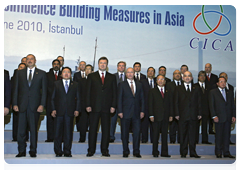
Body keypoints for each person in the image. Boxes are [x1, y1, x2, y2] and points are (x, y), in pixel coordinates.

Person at [13, 54, 47, 157]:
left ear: (35, 61)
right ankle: (21, 151)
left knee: (33, 130)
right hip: (22, 105)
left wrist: (42, 104)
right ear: (25, 61)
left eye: (31, 59)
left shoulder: (42, 74)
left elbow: (44, 92)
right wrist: (14, 103)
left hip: (35, 106)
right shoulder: (19, 73)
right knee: (21, 130)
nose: (29, 60)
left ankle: (33, 150)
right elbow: (15, 90)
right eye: (28, 59)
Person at [86, 56, 117, 157]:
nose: (103, 64)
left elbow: (114, 92)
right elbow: (88, 92)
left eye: (104, 63)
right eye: (101, 63)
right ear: (98, 64)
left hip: (107, 108)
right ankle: (91, 150)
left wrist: (113, 105)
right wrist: (88, 105)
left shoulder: (112, 77)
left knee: (106, 130)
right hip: (94, 107)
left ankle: (105, 150)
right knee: (92, 130)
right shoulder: (91, 76)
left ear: (107, 65)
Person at [51, 67, 80, 157]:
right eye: (64, 72)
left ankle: (67, 151)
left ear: (71, 74)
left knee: (68, 133)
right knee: (57, 133)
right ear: (61, 74)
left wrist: (77, 109)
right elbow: (52, 98)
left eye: (68, 72)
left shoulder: (75, 84)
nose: (66, 73)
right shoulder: (56, 84)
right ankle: (58, 151)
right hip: (58, 111)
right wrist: (53, 109)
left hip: (70, 112)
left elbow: (78, 99)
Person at [117, 67, 144, 158]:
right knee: (124, 133)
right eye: (128, 72)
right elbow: (119, 99)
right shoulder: (122, 84)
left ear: (134, 73)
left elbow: (142, 99)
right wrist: (120, 111)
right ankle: (125, 151)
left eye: (131, 72)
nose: (130, 74)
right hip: (125, 113)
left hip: (137, 113)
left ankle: (136, 151)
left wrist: (142, 111)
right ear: (126, 74)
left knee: (137, 133)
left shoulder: (139, 85)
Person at [174, 71, 202, 158]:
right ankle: (183, 152)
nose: (187, 77)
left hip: (194, 115)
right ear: (182, 78)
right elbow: (175, 102)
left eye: (189, 76)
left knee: (193, 135)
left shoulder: (196, 88)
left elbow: (200, 102)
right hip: (182, 115)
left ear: (192, 78)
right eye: (185, 76)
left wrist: (200, 113)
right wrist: (176, 113)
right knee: (182, 135)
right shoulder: (178, 88)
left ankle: (193, 152)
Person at [209, 77, 236, 158]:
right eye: (221, 82)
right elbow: (211, 105)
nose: (223, 83)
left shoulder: (230, 92)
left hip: (228, 118)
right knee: (219, 136)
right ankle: (218, 152)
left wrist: (234, 115)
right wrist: (214, 116)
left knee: (227, 136)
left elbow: (232, 105)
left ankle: (226, 152)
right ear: (217, 83)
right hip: (218, 118)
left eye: (224, 82)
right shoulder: (213, 92)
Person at [149, 74, 172, 158]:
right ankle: (155, 151)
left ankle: (164, 152)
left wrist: (171, 115)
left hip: (166, 117)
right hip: (156, 116)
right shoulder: (152, 91)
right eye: (159, 79)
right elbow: (150, 104)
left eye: (162, 79)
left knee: (165, 136)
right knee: (155, 135)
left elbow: (171, 104)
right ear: (156, 81)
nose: (161, 81)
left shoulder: (168, 91)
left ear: (165, 81)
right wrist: (151, 115)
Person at [45, 59, 62, 142]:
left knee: (60, 120)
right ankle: (50, 137)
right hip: (49, 100)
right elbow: (45, 87)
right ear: (52, 65)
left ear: (60, 65)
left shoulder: (63, 75)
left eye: (57, 64)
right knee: (50, 120)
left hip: (61, 101)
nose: (56, 65)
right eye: (54, 64)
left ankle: (59, 137)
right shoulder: (47, 75)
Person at [110, 61, 126, 143]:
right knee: (112, 121)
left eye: (123, 66)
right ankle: (111, 136)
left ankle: (124, 137)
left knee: (124, 122)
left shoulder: (129, 77)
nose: (121, 67)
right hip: (114, 103)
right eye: (120, 66)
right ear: (117, 67)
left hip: (125, 104)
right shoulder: (112, 76)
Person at [76, 64, 93, 143]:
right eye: (86, 69)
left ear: (92, 71)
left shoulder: (96, 81)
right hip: (83, 105)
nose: (87, 70)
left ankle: (92, 139)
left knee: (93, 123)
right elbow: (78, 94)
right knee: (83, 123)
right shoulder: (80, 81)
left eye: (89, 69)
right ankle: (82, 138)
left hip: (93, 105)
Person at [11, 63, 27, 141]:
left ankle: (24, 137)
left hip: (25, 103)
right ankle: (15, 136)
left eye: (24, 68)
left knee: (25, 122)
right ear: (18, 68)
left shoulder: (28, 78)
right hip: (16, 102)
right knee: (16, 120)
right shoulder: (13, 78)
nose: (22, 69)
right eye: (20, 67)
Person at [194, 71, 212, 144]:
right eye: (201, 75)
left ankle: (205, 140)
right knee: (196, 126)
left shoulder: (209, 87)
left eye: (204, 76)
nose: (202, 77)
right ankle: (195, 140)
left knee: (205, 125)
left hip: (206, 109)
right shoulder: (194, 86)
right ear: (198, 77)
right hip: (196, 109)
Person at [140, 67, 155, 143]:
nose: (150, 72)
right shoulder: (142, 82)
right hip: (145, 106)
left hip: (154, 107)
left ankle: (154, 140)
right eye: (149, 71)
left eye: (152, 71)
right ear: (147, 72)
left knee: (154, 125)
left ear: (154, 73)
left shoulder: (157, 82)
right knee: (144, 124)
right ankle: (144, 139)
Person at [167, 70, 182, 144]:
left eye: (179, 74)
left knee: (181, 126)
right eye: (175, 74)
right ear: (173, 76)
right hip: (172, 107)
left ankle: (180, 140)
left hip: (182, 108)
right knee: (172, 125)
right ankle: (172, 140)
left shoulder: (184, 84)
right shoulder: (169, 84)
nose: (177, 75)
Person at [204, 63, 218, 134]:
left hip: (212, 98)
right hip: (204, 99)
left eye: (208, 67)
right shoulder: (202, 76)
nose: (207, 69)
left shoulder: (215, 77)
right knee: (205, 116)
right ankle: (205, 131)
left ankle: (211, 129)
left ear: (211, 68)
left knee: (212, 114)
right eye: (206, 67)